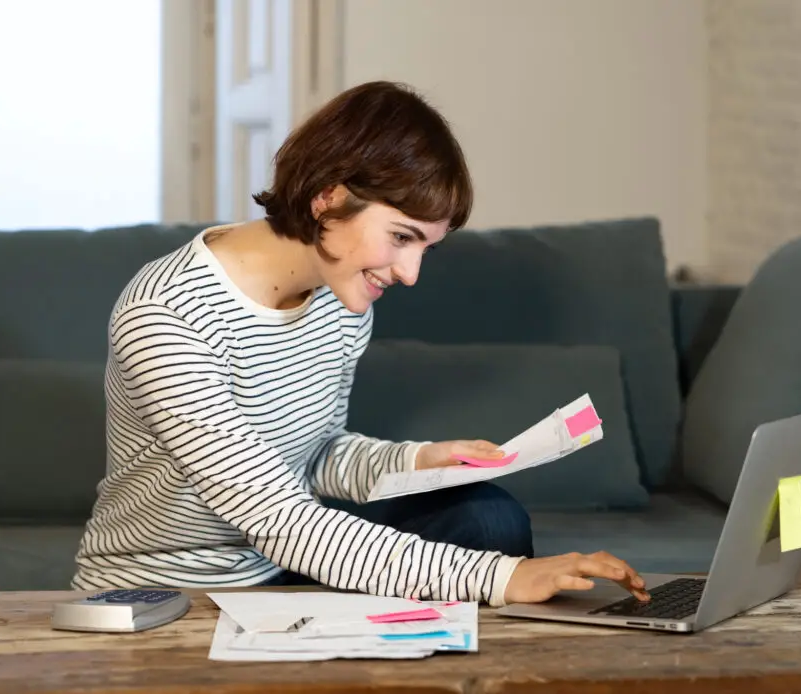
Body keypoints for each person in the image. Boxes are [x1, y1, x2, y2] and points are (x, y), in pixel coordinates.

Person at [73, 80, 650, 608]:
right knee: (494, 560)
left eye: (426, 247)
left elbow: (315, 454)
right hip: (165, 593)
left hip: (272, 572)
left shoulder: (340, 298)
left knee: (487, 517)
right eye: (401, 237)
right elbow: (281, 518)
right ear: (328, 196)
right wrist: (504, 579)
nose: (410, 273)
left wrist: (418, 459)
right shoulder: (166, 313)